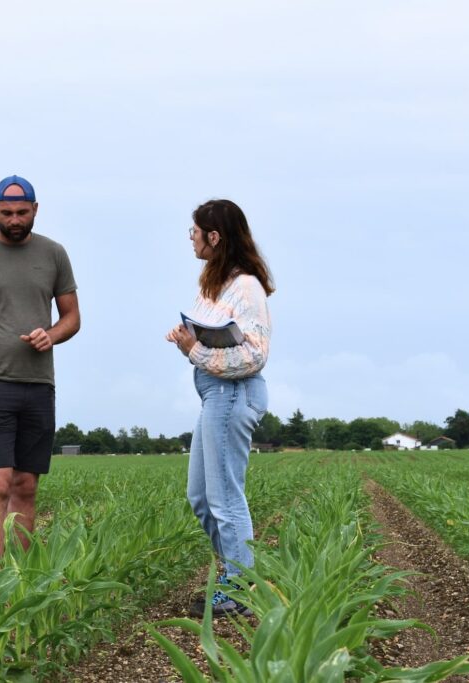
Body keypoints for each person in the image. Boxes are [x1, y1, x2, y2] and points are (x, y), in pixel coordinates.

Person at [0, 175, 80, 560]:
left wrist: (52, 335)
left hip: (39, 386)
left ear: (35, 210)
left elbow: (72, 317)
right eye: (7, 213)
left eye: (22, 212)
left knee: (25, 486)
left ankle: (18, 577)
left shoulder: (54, 254)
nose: (15, 220)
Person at [165, 199, 274, 618]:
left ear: (215, 236)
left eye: (195, 230)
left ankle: (238, 590)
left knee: (225, 497)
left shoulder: (246, 286)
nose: (190, 237)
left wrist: (195, 350)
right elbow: (214, 341)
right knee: (201, 497)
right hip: (215, 395)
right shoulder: (215, 283)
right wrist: (187, 339)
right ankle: (233, 576)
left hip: (233, 394)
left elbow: (253, 356)